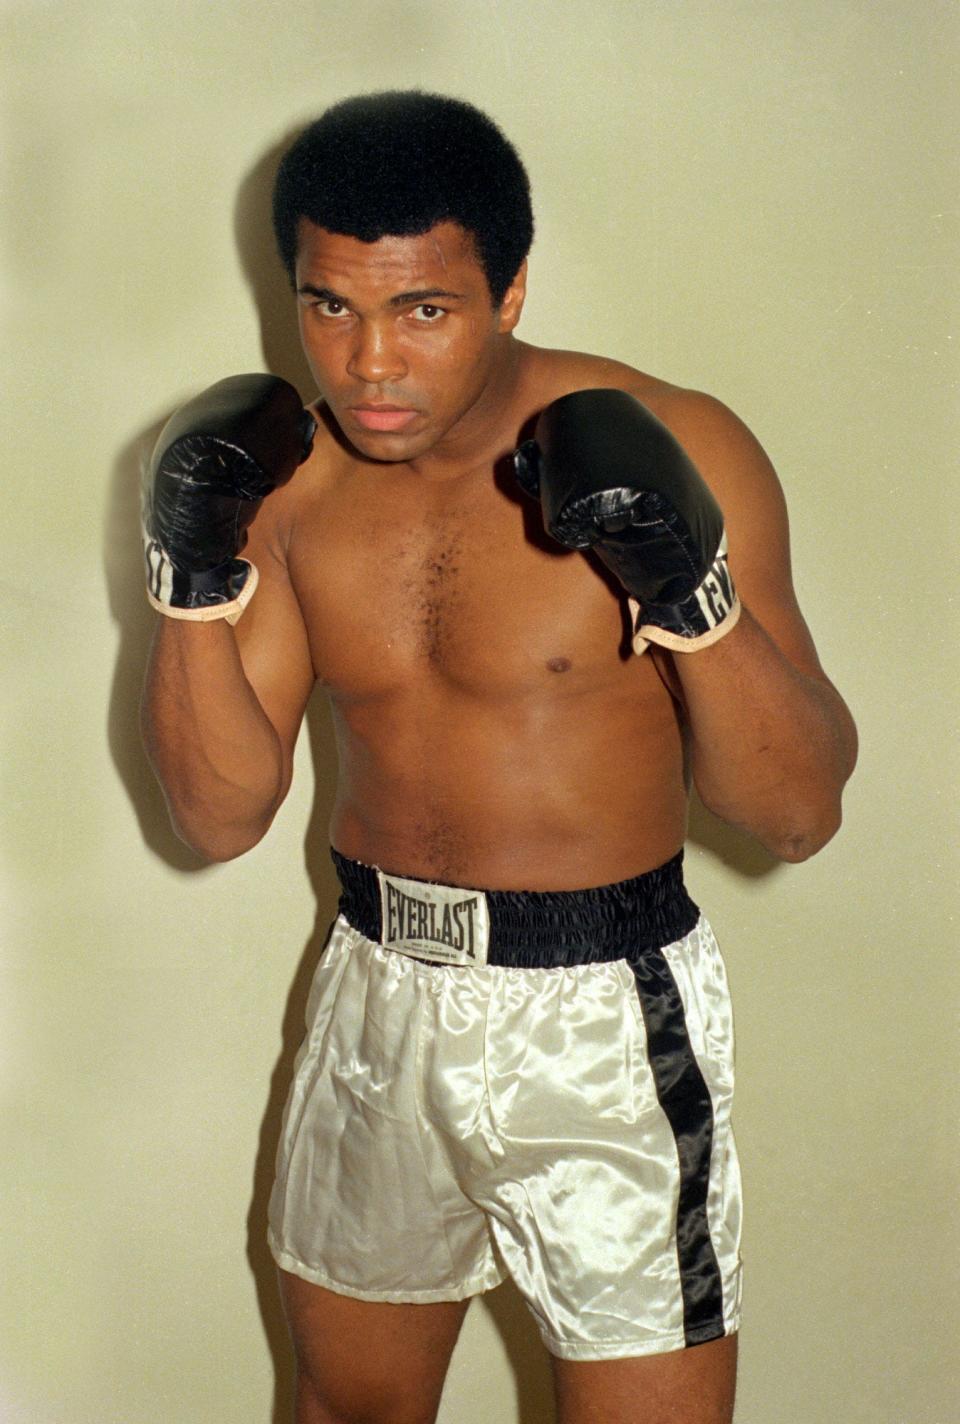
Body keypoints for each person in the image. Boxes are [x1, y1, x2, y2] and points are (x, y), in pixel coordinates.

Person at [140, 91, 857, 1424]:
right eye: (330, 307)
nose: (369, 368)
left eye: (424, 310)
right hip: (376, 995)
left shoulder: (679, 441)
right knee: (345, 1409)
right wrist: (190, 586)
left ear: (512, 288)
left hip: (600, 1020)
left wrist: (686, 591)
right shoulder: (294, 483)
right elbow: (220, 815)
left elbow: (798, 811)